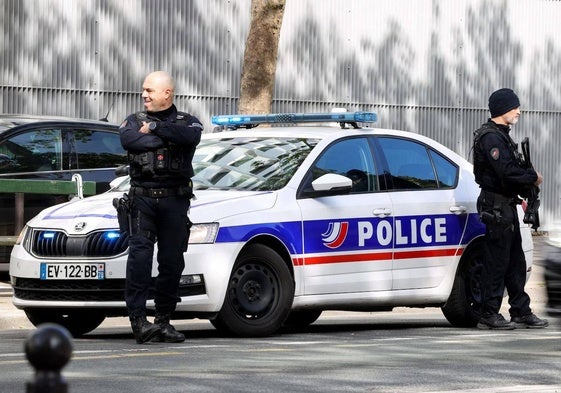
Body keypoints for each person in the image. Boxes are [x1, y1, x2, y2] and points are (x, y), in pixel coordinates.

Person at [119, 71, 203, 343]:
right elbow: (130, 140)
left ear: (167, 93)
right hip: (142, 199)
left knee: (171, 261)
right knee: (140, 259)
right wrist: (166, 138)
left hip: (174, 200)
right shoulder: (134, 121)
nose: (144, 95)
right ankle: (139, 322)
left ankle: (164, 321)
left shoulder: (187, 122)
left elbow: (189, 138)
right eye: (143, 90)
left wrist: (155, 129)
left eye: (150, 91)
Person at [472, 88, 548, 330]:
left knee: (516, 260)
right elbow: (506, 172)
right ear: (503, 108)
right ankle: (488, 313)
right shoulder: (491, 138)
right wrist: (531, 177)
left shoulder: (501, 135)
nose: (518, 111)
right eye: (515, 107)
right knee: (497, 261)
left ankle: (520, 310)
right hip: (496, 206)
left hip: (505, 206)